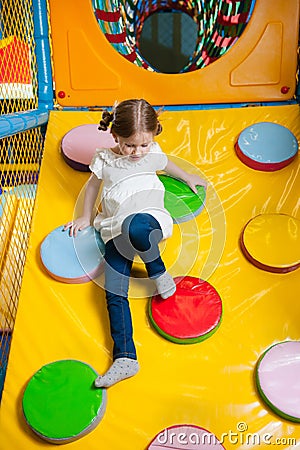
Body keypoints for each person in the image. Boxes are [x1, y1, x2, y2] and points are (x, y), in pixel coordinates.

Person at [64, 99, 206, 388]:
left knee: (135, 225)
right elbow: (92, 186)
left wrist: (187, 176)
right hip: (115, 227)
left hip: (148, 221)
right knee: (113, 289)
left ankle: (158, 272)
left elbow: (166, 165)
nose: (137, 153)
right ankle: (125, 356)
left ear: (152, 138)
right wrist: (85, 217)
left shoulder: (151, 152)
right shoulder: (104, 159)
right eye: (130, 145)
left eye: (144, 145)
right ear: (116, 136)